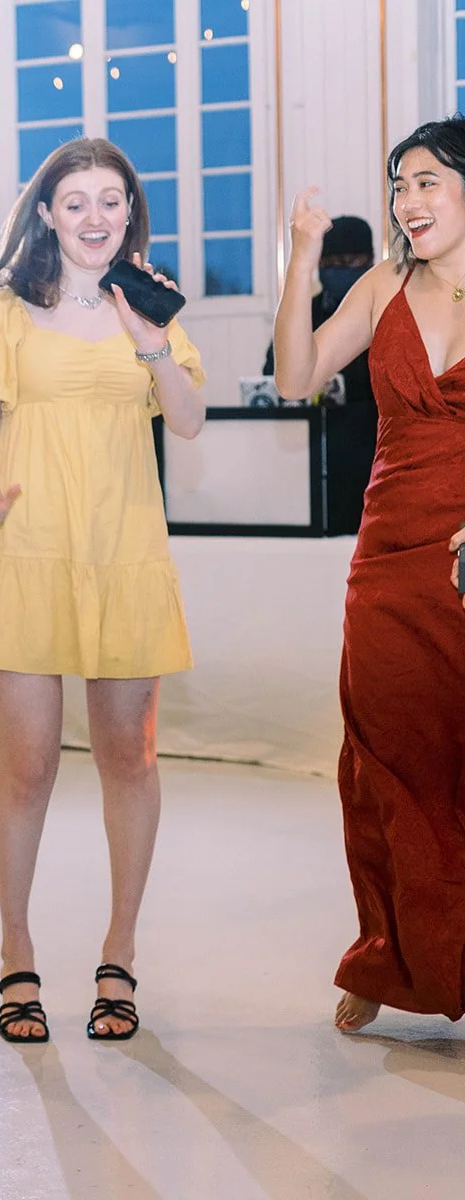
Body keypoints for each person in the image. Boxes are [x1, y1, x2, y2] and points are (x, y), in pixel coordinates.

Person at [0, 138, 206, 1044]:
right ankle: (17, 953)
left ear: (130, 213)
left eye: (112, 201)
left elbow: (191, 417)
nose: (96, 218)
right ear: (45, 215)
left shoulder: (153, 306)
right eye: (77, 202)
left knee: (129, 759)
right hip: (24, 551)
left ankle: (119, 953)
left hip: (123, 552)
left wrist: (152, 345)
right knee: (29, 768)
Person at [274, 118, 465, 1033]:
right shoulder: (384, 282)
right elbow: (294, 375)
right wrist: (303, 260)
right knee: (387, 763)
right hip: (388, 558)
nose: (408, 201)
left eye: (427, 181)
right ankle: (389, 957)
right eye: (400, 186)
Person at [263, 214, 376, 406]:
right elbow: (275, 375)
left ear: (370, 260)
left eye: (350, 261)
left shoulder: (386, 312)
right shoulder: (305, 313)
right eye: (331, 263)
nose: (341, 270)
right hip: (312, 428)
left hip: (376, 429)